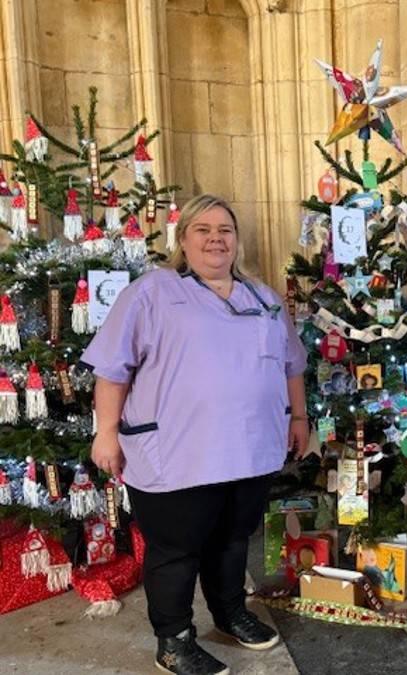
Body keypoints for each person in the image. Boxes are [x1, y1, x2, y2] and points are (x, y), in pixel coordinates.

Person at [80, 194, 310, 675]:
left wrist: (299, 418)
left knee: (231, 540)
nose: (215, 239)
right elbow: (112, 370)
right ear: (182, 238)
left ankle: (229, 613)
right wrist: (105, 434)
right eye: (202, 229)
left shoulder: (263, 299)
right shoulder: (152, 293)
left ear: (237, 240)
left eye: (224, 230)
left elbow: (292, 364)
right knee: (177, 550)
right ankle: (174, 641)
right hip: (177, 451)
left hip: (250, 450)